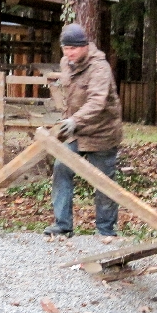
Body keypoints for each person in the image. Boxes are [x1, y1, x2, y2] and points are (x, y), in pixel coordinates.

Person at [43, 23, 124, 238]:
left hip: (102, 132)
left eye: (74, 48)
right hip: (77, 131)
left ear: (85, 46)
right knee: (61, 168)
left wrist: (75, 119)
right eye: (65, 48)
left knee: (103, 181)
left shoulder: (100, 68)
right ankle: (63, 225)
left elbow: (97, 101)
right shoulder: (66, 63)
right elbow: (69, 92)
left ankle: (105, 230)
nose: (69, 53)